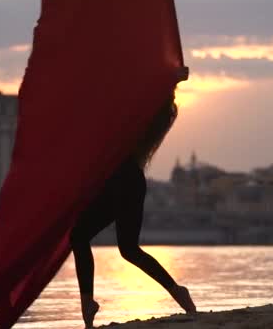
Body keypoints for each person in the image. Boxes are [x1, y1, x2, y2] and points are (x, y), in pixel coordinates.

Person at [69, 92, 197, 328]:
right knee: (118, 246)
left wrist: (171, 80)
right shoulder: (124, 123)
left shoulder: (133, 121)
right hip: (122, 181)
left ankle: (176, 291)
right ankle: (176, 291)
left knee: (94, 239)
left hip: (123, 181)